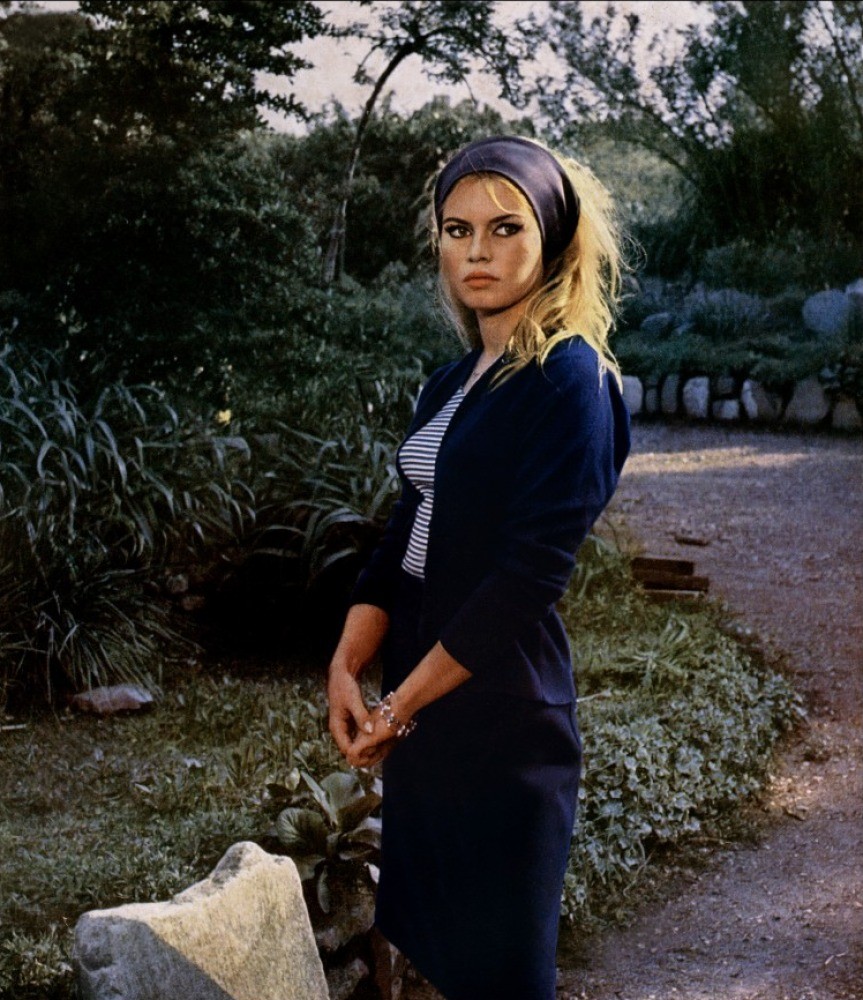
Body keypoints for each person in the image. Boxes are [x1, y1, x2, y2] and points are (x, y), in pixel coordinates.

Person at [327, 135, 630, 1000]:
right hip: (427, 719)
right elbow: (404, 534)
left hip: (502, 723)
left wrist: (398, 704)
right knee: (437, 958)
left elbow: (527, 580)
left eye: (505, 228)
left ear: (553, 238)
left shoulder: (570, 380)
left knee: (502, 977)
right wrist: (346, 666)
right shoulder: (451, 381)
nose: (477, 252)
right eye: (457, 230)